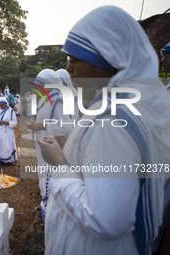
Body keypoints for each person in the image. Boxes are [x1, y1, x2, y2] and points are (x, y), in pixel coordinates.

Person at [37, 6, 170, 255]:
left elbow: (106, 221)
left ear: (109, 56)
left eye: (75, 59)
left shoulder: (114, 119)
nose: (70, 68)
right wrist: (75, 147)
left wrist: (60, 165)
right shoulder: (123, 103)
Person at [27, 69, 79, 225]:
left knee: (51, 178)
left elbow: (67, 128)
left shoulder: (60, 100)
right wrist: (35, 126)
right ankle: (45, 205)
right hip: (44, 144)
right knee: (44, 177)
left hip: (52, 146)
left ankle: (51, 215)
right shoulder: (47, 99)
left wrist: (41, 125)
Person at [0, 97, 17, 166]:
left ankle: (8, 160)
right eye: (0, 105)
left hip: (8, 132)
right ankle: (0, 160)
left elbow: (15, 122)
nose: (2, 106)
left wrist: (8, 123)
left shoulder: (11, 111)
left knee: (7, 146)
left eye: (3, 105)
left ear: (6, 104)